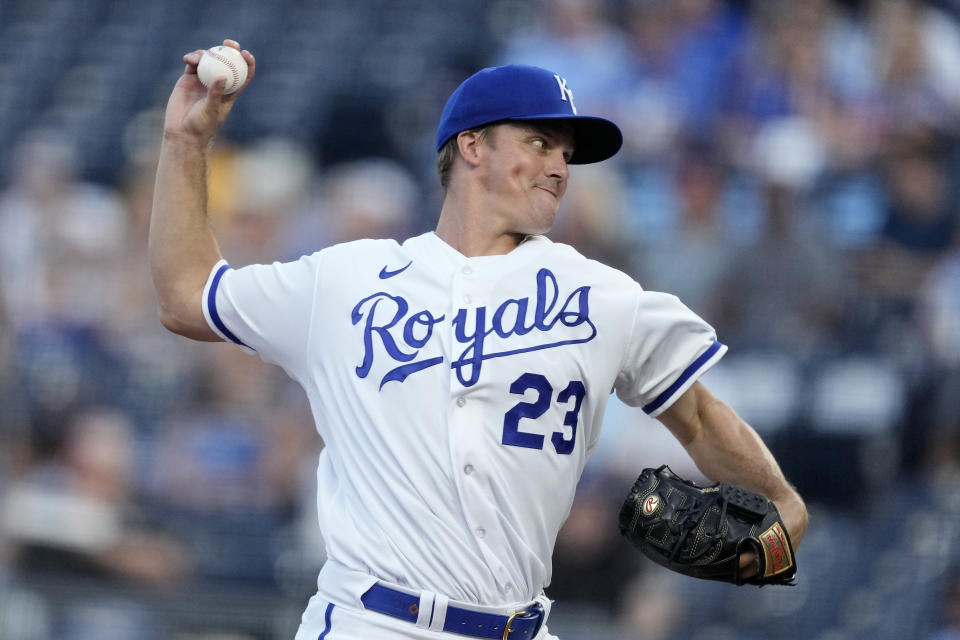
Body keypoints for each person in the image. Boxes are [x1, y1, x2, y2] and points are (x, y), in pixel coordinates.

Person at [149, 40, 808, 640]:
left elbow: (697, 416)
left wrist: (783, 508)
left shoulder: (604, 297)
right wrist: (186, 142)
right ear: (472, 146)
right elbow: (186, 296)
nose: (560, 166)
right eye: (539, 143)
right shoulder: (346, 280)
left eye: (565, 153)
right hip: (369, 622)